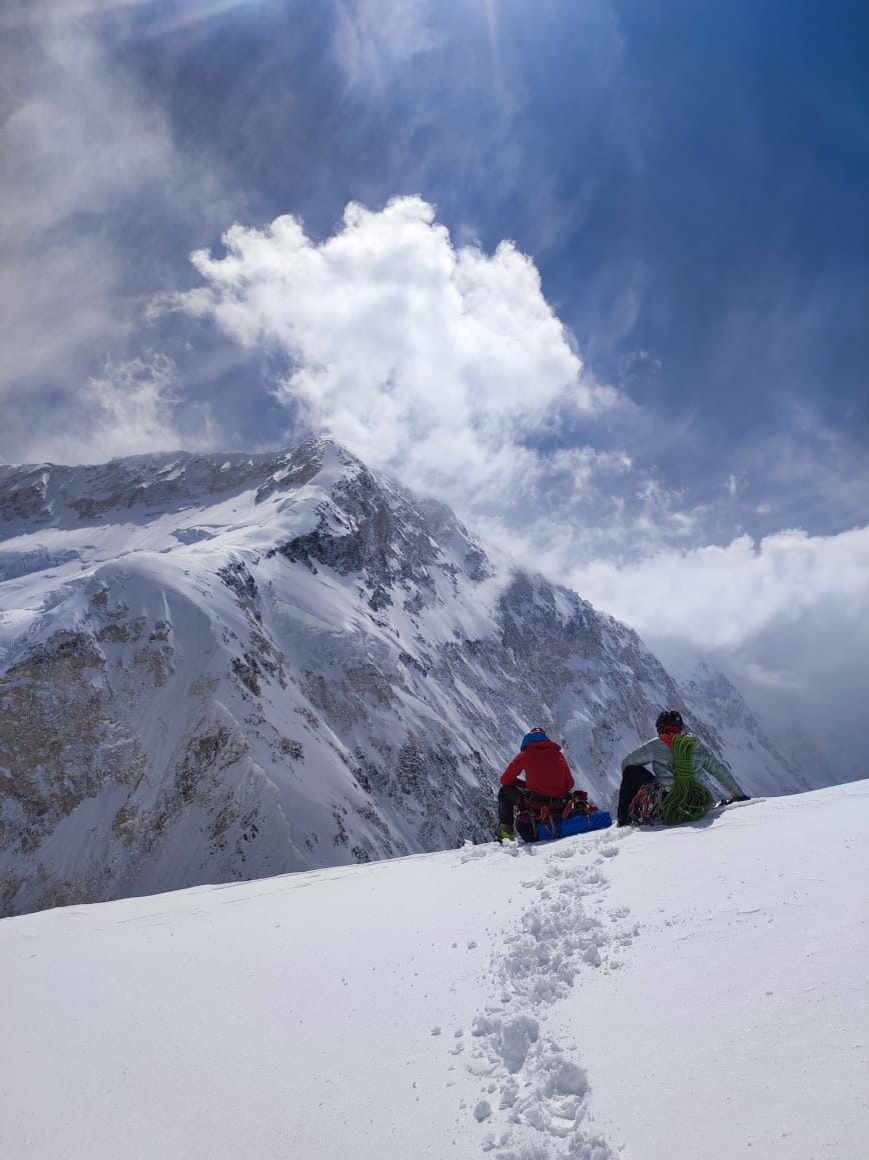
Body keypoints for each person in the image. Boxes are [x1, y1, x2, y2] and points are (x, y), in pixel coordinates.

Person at [617, 709, 749, 826]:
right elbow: (719, 771)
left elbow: (627, 763)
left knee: (630, 771)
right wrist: (738, 795)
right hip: (692, 800)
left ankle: (624, 820)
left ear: (660, 728)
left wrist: (643, 792)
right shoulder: (696, 746)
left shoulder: (656, 745)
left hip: (667, 802)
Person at [497, 727, 575, 840]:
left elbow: (505, 781)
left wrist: (523, 784)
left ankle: (506, 835)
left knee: (504, 791)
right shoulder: (559, 755)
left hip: (536, 807)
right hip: (560, 806)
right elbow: (570, 784)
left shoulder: (524, 755)